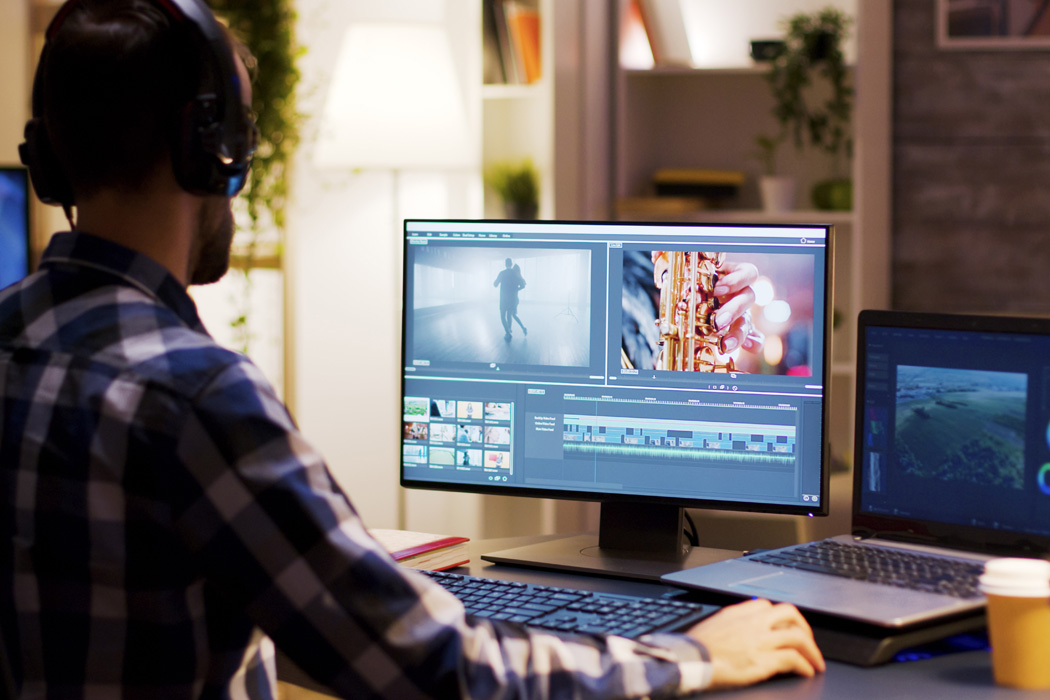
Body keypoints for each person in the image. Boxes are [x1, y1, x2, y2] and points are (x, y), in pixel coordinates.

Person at [0, 1, 824, 698]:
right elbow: (434, 663)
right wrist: (695, 656)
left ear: (50, 157)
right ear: (210, 146)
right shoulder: (193, 397)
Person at [493, 257, 526, 340]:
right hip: (513, 299)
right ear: (511, 264)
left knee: (502, 316)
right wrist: (516, 289)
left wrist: (497, 283)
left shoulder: (502, 273)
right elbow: (523, 285)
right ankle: (509, 331)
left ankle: (507, 332)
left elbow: (495, 284)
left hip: (504, 299)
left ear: (505, 264)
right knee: (510, 315)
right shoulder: (515, 274)